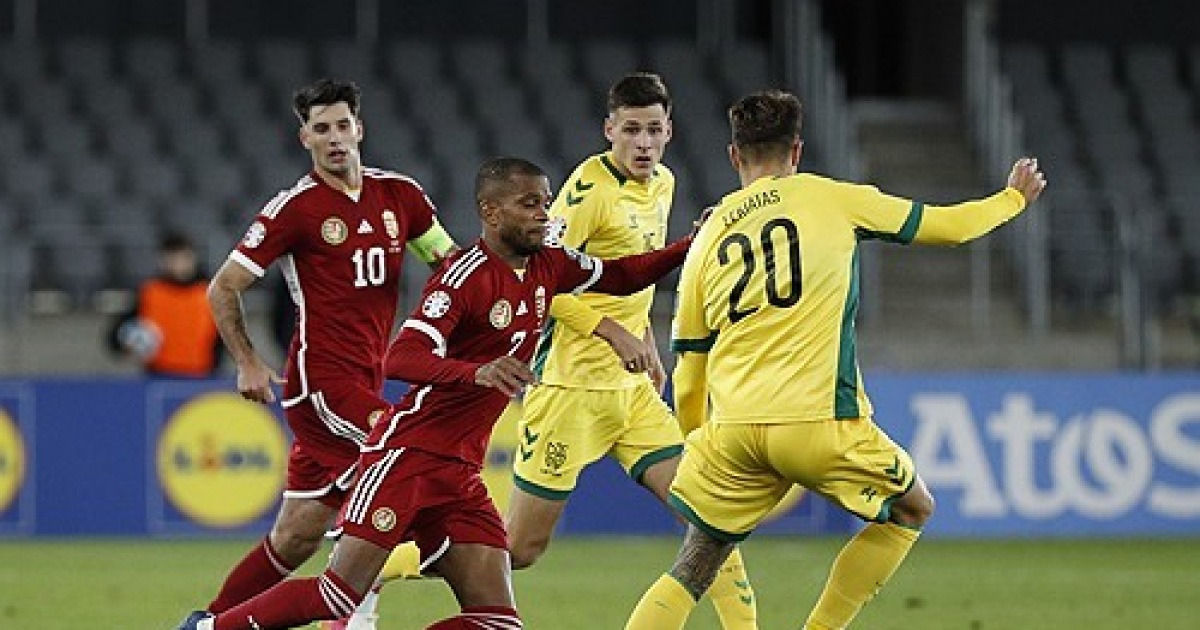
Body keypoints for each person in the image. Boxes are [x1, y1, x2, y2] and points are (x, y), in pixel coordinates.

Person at [176, 156, 696, 630]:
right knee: (338, 597)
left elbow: (623, 275)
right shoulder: (463, 278)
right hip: (409, 457)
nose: (544, 214)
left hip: (459, 473)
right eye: (529, 203)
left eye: (545, 200)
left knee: (497, 623)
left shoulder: (549, 265)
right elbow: (402, 356)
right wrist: (475, 373)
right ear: (490, 213)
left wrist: (687, 247)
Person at [624, 90, 1047, 629]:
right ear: (796, 152)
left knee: (695, 565)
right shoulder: (832, 198)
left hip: (732, 430)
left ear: (734, 157)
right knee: (912, 508)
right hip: (817, 421)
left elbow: (689, 363)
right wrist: (1011, 199)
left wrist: (697, 441)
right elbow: (947, 226)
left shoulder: (709, 235)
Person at [180, 78, 458, 630]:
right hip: (322, 386)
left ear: (360, 128)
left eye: (342, 125)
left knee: (297, 532)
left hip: (366, 380)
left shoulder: (401, 197)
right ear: (304, 137)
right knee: (404, 463)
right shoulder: (296, 209)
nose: (334, 138)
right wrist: (248, 361)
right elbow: (223, 286)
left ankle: (206, 625)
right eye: (321, 128)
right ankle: (354, 614)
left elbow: (450, 268)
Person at [504, 72, 759, 627]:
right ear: (609, 130)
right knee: (518, 550)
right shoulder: (585, 192)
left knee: (710, 515)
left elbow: (632, 278)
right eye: (631, 130)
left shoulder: (663, 183)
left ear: (669, 132)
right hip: (569, 392)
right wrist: (612, 333)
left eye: (653, 131)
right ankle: (376, 570)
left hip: (632, 394)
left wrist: (644, 339)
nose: (643, 143)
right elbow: (539, 283)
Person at [107, 231, 222, 378]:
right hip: (157, 375)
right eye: (172, 258)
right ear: (163, 260)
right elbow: (117, 333)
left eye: (182, 257)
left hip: (201, 377)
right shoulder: (149, 292)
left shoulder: (209, 293)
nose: (178, 264)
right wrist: (126, 345)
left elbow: (222, 336)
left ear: (192, 257)